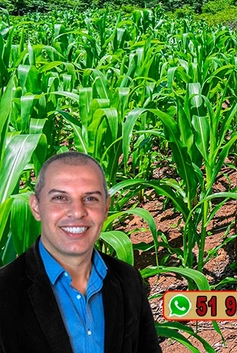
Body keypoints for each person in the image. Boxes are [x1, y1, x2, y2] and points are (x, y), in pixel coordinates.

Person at [0, 151, 162, 353]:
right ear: (36, 207)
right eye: (60, 198)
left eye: (91, 198)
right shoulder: (5, 291)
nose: (77, 212)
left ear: (106, 208)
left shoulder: (128, 280)